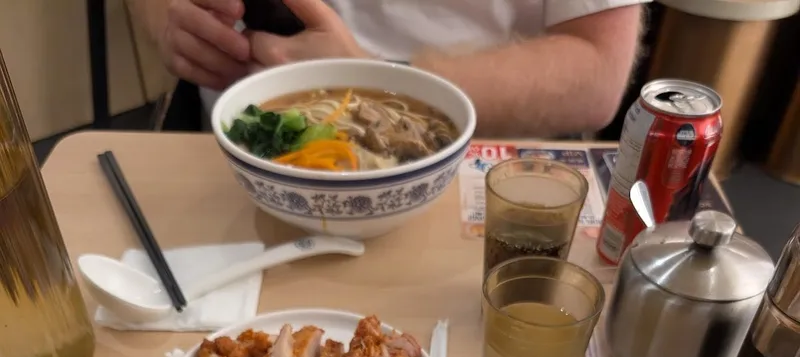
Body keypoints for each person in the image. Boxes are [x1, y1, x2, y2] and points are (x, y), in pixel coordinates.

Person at [132, 0, 647, 136]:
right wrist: (162, 16)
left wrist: (379, 83)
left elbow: (597, 70)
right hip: (227, 149)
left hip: (461, 170)